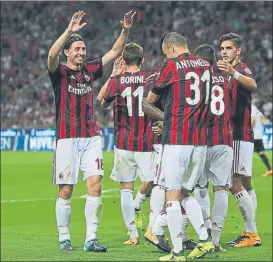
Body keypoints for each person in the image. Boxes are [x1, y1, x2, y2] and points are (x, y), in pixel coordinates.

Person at [47, 10, 136, 252]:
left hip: (91, 137)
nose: (82, 52)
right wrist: (69, 31)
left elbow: (115, 52)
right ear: (68, 52)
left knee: (95, 185)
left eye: (83, 49)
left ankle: (91, 239)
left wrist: (125, 30)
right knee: (66, 190)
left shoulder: (89, 71)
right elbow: (51, 54)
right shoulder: (60, 72)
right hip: (66, 138)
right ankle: (64, 238)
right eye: (77, 49)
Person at [146, 32, 215, 261]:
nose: (166, 57)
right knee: (186, 192)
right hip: (200, 141)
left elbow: (149, 101)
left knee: (172, 196)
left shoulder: (171, 67)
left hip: (177, 139)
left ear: (172, 48)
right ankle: (205, 240)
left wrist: (165, 119)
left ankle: (177, 252)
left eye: (166, 53)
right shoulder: (205, 66)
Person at [100, 43, 156, 245]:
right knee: (155, 182)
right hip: (146, 141)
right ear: (141, 60)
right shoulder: (150, 80)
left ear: (123, 61)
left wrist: (114, 76)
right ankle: (153, 227)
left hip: (123, 142)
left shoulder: (117, 81)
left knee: (125, 187)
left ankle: (132, 234)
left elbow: (103, 103)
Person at [217, 32, 261, 247]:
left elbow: (252, 84)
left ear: (238, 50)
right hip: (236, 134)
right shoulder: (224, 73)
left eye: (229, 48)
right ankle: (249, 230)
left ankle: (252, 234)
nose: (224, 52)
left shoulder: (241, 69)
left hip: (238, 134)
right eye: (222, 48)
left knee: (233, 182)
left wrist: (233, 72)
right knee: (245, 182)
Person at [193, 44, 234, 251]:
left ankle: (206, 232)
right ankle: (216, 239)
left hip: (202, 141)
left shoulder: (196, 82)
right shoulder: (226, 82)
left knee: (199, 188)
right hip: (224, 141)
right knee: (221, 189)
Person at [251, 104, 272, 177]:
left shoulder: (251, 107)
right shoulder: (255, 107)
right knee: (260, 152)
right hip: (258, 134)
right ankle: (270, 169)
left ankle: (247, 171)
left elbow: (253, 119)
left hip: (253, 134)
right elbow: (262, 117)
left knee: (247, 152)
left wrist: (249, 130)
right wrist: (260, 126)